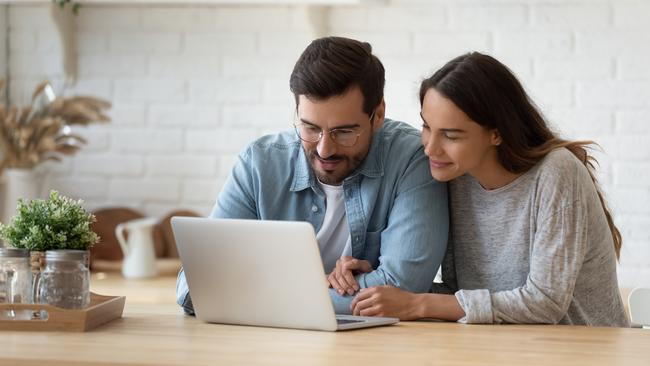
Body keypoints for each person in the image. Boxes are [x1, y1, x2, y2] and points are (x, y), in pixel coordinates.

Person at [346, 52, 630, 327]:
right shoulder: (456, 177)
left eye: (451, 135)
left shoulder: (556, 173)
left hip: (586, 351)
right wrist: (385, 289)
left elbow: (545, 302)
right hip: (505, 349)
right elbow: (466, 298)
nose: (430, 147)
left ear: (496, 133)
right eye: (427, 127)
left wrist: (418, 304)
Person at [176, 36, 449, 315]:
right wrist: (322, 288)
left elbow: (403, 287)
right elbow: (195, 286)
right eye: (310, 128)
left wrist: (258, 294)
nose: (324, 149)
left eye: (343, 132)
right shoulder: (259, 163)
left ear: (377, 115)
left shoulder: (411, 159)